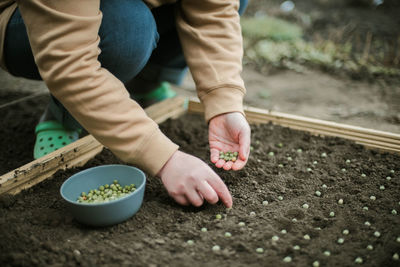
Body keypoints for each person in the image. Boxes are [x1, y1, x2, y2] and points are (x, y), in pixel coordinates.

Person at [0, 0, 251, 208]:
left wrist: (224, 102)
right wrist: (165, 159)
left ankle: (143, 84)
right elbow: (70, 62)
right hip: (28, 21)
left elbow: (213, 12)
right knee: (127, 28)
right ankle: (63, 114)